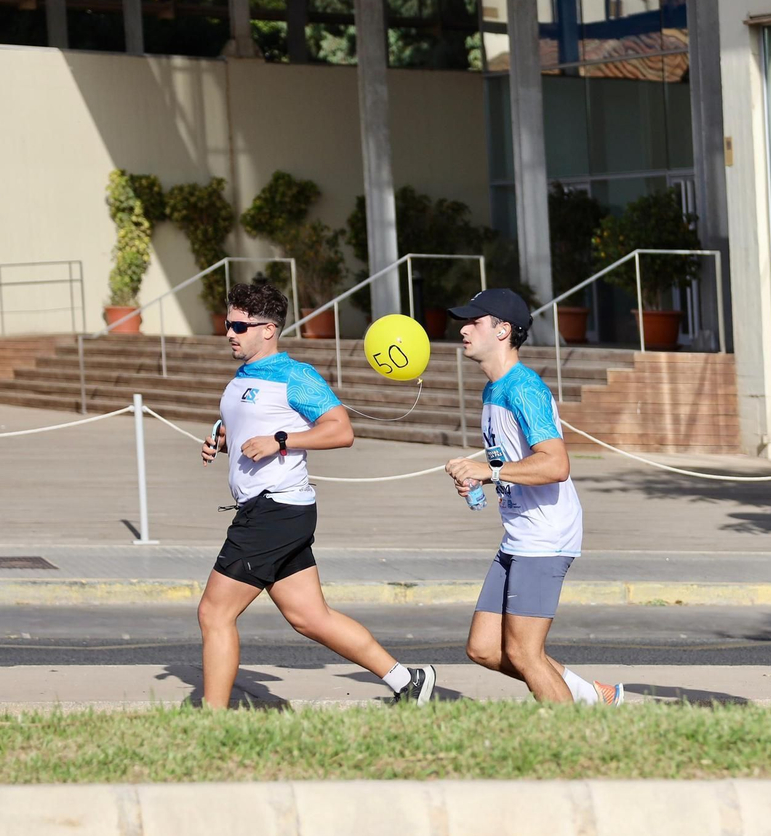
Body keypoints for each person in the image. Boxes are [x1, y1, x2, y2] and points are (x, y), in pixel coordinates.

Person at [198, 281, 434, 709]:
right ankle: (408, 681)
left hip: (274, 510)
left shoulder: (296, 376)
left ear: (268, 329)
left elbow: (341, 430)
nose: (229, 333)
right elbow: (253, 425)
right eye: (226, 324)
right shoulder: (245, 374)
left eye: (237, 325)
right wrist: (223, 438)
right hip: (276, 509)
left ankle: (211, 722)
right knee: (310, 617)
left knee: (214, 613)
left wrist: (282, 440)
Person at [443, 287, 623, 706]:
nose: (464, 329)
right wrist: (482, 477)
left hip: (545, 535)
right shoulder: (493, 389)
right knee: (485, 649)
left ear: (503, 330)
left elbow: (556, 465)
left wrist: (489, 471)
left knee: (524, 652)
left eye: (475, 321)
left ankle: (572, 742)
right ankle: (592, 696)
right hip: (519, 533)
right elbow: (511, 459)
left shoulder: (525, 389)